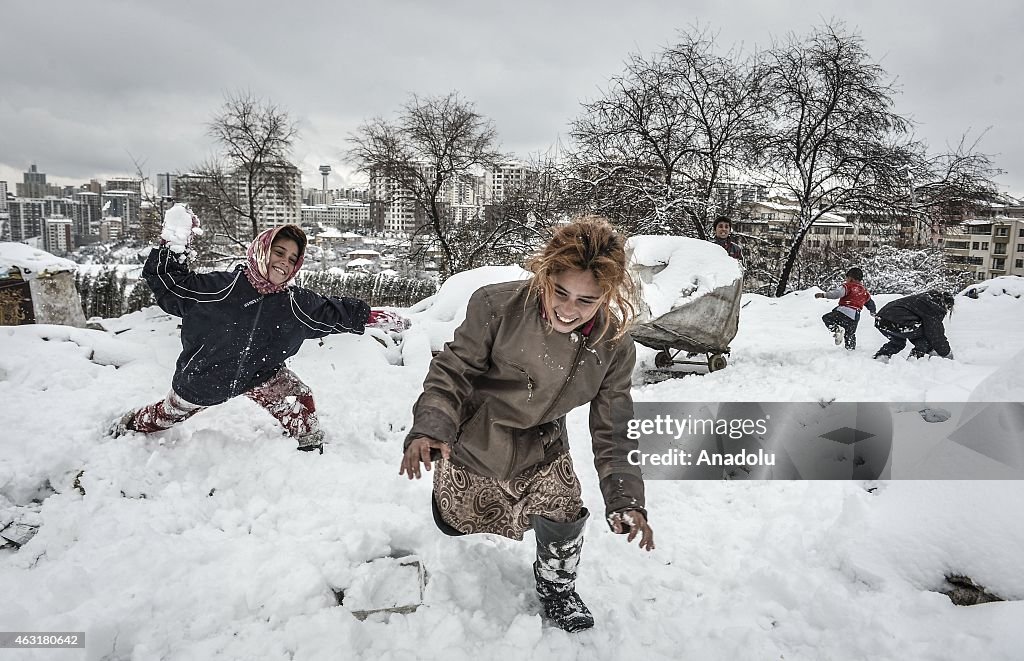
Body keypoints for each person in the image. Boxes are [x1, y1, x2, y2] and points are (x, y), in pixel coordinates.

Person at [399, 216, 654, 633]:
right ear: (545, 274)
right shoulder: (495, 306)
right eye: (560, 292)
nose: (569, 310)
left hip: (544, 442)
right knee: (457, 519)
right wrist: (432, 426)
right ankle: (447, 510)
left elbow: (614, 426)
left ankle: (557, 588)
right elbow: (452, 370)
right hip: (478, 436)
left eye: (587, 300)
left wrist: (626, 497)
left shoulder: (613, 346)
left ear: (606, 296)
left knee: (565, 510)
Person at [112, 206, 405, 452]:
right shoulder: (222, 288)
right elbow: (171, 285)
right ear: (262, 250)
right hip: (202, 381)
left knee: (300, 399)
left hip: (259, 374)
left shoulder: (293, 303)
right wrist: (173, 243)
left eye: (292, 259)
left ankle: (311, 453)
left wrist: (370, 316)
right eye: (279, 252)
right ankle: (129, 424)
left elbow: (331, 312)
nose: (285, 263)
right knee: (165, 416)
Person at [872, 290, 955, 361]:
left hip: (881, 320)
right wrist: (946, 353)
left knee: (898, 342)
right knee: (925, 337)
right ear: (947, 305)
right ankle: (915, 359)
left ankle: (882, 356)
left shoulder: (923, 299)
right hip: (897, 321)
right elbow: (936, 334)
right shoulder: (934, 306)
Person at [815, 267, 877, 350]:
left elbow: (837, 293)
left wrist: (824, 295)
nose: (846, 280)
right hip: (855, 316)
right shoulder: (864, 292)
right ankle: (850, 350)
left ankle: (837, 329)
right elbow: (871, 304)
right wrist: (873, 312)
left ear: (850, 278)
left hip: (844, 312)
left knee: (827, 318)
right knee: (850, 334)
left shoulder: (848, 286)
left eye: (847, 278)